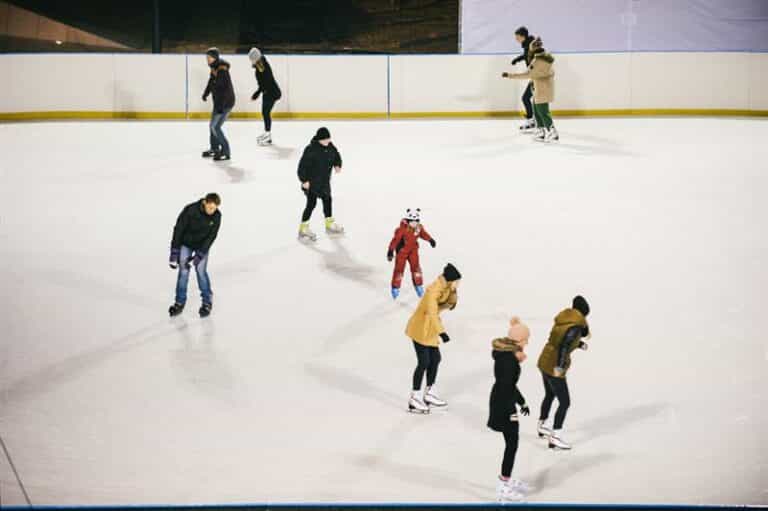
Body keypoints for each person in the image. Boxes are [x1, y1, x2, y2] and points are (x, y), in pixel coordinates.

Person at [404, 263, 461, 413]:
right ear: (450, 279)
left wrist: (454, 293)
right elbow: (432, 312)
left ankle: (429, 392)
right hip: (420, 329)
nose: (458, 284)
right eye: (457, 281)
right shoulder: (433, 291)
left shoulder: (446, 288)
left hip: (430, 330)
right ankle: (414, 397)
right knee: (424, 361)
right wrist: (442, 332)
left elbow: (448, 304)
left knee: (435, 359)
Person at [536, 295, 591, 450]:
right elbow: (564, 347)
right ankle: (555, 436)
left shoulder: (563, 320)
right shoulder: (576, 326)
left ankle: (542, 425)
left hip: (544, 360)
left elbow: (559, 339)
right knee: (565, 402)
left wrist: (579, 344)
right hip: (554, 366)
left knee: (550, 394)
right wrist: (559, 367)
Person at [488, 317, 532, 502]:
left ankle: (506, 479)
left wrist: (522, 402)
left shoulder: (507, 355)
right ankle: (503, 486)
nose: (528, 342)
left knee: (511, 443)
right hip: (503, 405)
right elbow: (507, 386)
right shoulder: (509, 361)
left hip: (503, 399)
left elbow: (510, 385)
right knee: (512, 443)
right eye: (526, 339)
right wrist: (511, 411)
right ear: (519, 341)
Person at [168, 194, 222, 318]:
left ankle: (207, 301)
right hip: (186, 244)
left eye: (214, 208)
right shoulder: (190, 210)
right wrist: (174, 251)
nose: (211, 211)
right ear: (204, 202)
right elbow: (178, 229)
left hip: (201, 246)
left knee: (200, 270)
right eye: (210, 208)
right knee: (183, 271)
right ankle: (179, 302)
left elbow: (211, 237)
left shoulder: (217, 216)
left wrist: (201, 253)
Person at [502, 37, 559, 142]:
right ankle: (541, 131)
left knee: (543, 111)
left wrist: (510, 75)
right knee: (536, 109)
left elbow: (527, 74)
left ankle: (552, 132)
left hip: (542, 90)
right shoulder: (546, 58)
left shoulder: (537, 61)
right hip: (541, 88)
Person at [297, 127, 344, 241]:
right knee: (311, 204)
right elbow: (301, 167)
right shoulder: (311, 149)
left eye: (329, 139)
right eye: (325, 140)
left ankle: (329, 224)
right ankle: (303, 228)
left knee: (328, 200)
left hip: (324, 182)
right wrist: (304, 181)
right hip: (312, 183)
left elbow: (336, 155)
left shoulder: (330, 146)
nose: (327, 141)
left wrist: (337, 164)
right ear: (319, 139)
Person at [387, 208, 436, 300]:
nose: (414, 223)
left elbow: (423, 234)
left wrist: (430, 239)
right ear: (408, 221)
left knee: (416, 268)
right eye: (412, 221)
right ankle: (395, 287)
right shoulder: (402, 229)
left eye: (416, 221)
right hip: (402, 251)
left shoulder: (418, 227)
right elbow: (395, 240)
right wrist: (390, 250)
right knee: (399, 270)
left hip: (413, 250)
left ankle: (418, 285)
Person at [201, 47, 236, 161]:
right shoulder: (214, 68)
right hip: (219, 102)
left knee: (215, 127)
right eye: (207, 57)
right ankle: (215, 148)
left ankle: (226, 151)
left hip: (225, 102)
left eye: (209, 57)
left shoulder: (222, 70)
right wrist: (206, 93)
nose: (207, 60)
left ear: (215, 58)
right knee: (212, 126)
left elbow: (222, 89)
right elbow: (211, 82)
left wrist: (221, 107)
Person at [248, 47, 282, 146]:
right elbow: (263, 83)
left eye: (252, 59)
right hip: (268, 92)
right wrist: (258, 92)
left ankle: (268, 136)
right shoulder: (261, 65)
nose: (251, 61)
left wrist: (257, 93)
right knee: (265, 112)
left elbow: (266, 82)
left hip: (271, 93)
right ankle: (267, 134)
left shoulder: (262, 67)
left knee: (265, 112)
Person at [511, 27, 536, 132]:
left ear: (522, 36)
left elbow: (534, 57)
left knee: (526, 98)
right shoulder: (527, 45)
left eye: (517, 37)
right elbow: (526, 55)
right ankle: (533, 121)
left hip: (537, 77)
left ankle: (533, 121)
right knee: (528, 98)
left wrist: (531, 68)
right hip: (535, 76)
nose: (516, 39)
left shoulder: (530, 46)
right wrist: (518, 59)